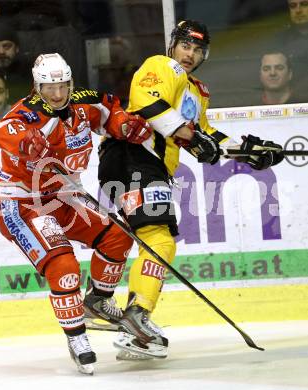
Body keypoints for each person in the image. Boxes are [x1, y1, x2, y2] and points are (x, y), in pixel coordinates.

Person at [98, 20, 284, 360]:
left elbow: (205, 137)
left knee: (151, 239)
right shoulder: (161, 65)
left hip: (146, 166)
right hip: (132, 156)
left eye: (197, 50)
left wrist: (251, 152)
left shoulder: (197, 92)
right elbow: (149, 105)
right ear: (173, 46)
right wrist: (191, 136)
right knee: (159, 239)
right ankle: (136, 317)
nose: (190, 54)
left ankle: (127, 322)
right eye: (186, 46)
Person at [0, 53, 152, 374]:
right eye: (49, 88)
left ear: (70, 82)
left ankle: (97, 301)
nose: (57, 94)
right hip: (24, 203)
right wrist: (25, 141)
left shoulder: (82, 104)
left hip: (66, 195)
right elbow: (3, 129)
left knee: (118, 238)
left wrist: (124, 125)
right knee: (63, 265)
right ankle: (77, 336)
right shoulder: (28, 114)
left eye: (62, 85)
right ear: (37, 88)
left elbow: (111, 112)